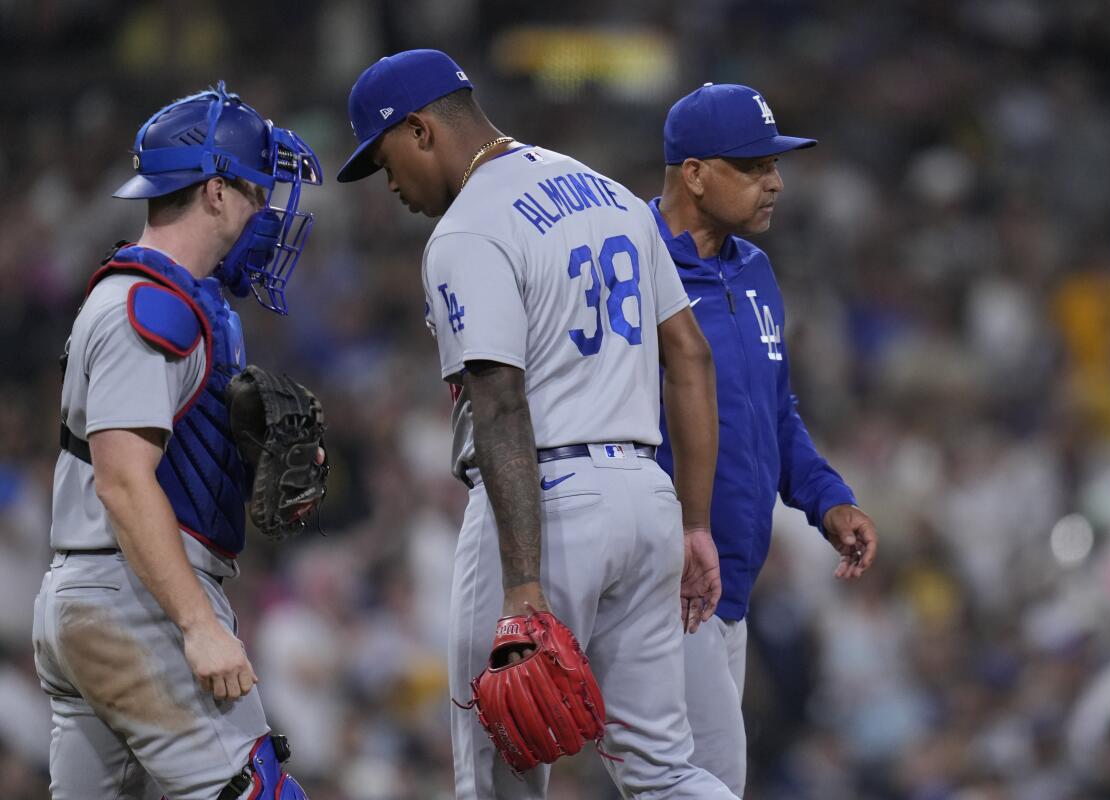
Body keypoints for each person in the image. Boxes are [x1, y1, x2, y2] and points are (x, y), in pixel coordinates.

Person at [337, 50, 738, 799]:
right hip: (645, 495)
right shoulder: (610, 193)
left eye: (384, 158)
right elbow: (690, 355)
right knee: (664, 772)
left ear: (421, 130)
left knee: (497, 778)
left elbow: (498, 402)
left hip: (544, 509)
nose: (387, 184)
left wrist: (523, 584)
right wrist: (692, 522)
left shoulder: (466, 230)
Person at [32, 83, 322, 800]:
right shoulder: (149, 305)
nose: (265, 210)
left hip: (101, 592)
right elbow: (124, 481)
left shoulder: (171, 295)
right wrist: (197, 623)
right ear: (215, 191)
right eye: (257, 190)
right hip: (133, 600)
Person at [649, 82, 880, 796]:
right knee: (698, 783)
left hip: (732, 586)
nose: (775, 182)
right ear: (694, 173)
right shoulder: (629, 262)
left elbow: (776, 415)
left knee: (706, 782)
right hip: (664, 578)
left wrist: (827, 500)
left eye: (774, 165)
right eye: (753, 166)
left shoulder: (755, 272)